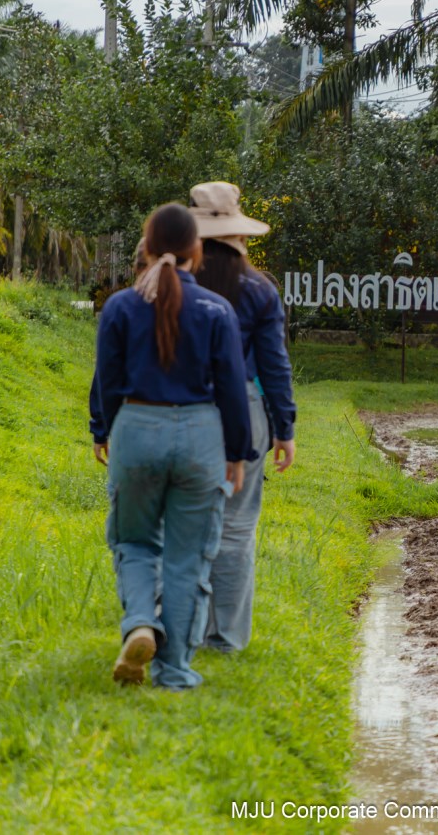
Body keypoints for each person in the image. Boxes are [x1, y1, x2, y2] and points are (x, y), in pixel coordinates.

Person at [91, 203, 252, 689]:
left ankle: (141, 621)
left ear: (147, 244)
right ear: (195, 250)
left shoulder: (120, 306)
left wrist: (102, 430)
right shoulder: (216, 310)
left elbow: (107, 380)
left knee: (135, 542)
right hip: (201, 438)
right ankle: (174, 670)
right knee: (188, 558)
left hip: (136, 429)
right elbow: (231, 387)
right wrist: (236, 453)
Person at [189, 181, 296, 654]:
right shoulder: (257, 289)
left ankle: (177, 631)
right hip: (246, 411)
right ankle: (225, 639)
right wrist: (284, 427)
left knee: (184, 523)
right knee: (235, 528)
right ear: (240, 234)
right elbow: (274, 364)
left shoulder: (172, 282)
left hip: (181, 408)